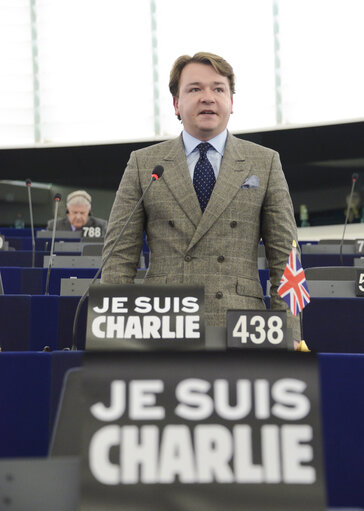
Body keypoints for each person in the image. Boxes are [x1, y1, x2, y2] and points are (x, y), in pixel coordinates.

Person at [101, 51, 301, 340]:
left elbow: (286, 257)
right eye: (195, 89)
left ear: (231, 103)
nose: (208, 97)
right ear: (176, 104)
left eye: (218, 89)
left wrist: (290, 334)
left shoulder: (265, 162)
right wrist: (113, 333)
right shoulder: (143, 163)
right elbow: (118, 259)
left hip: (241, 325)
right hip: (163, 322)